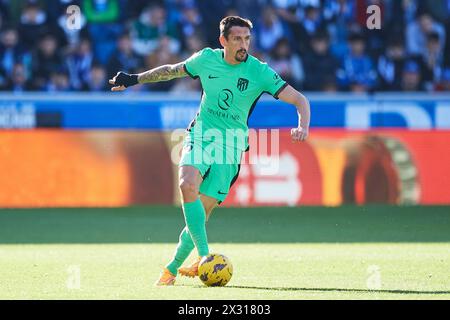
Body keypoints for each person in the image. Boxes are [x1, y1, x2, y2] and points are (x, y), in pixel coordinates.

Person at [108, 16, 311, 286]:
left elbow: (300, 99)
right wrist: (134, 78)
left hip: (232, 147)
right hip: (202, 135)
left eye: (247, 39)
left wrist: (303, 126)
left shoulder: (258, 71)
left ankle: (170, 269)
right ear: (223, 40)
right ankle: (206, 258)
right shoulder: (206, 59)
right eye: (237, 38)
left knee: (199, 217)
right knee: (186, 183)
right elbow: (171, 70)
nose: (243, 45)